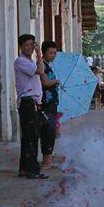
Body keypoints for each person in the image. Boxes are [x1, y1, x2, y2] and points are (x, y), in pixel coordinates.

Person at [14, 34, 48, 179]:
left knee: (31, 136)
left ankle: (25, 168)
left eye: (31, 44)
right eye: (27, 44)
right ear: (21, 46)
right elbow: (40, 71)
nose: (29, 47)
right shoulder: (21, 61)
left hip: (33, 102)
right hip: (27, 102)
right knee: (30, 137)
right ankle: (31, 169)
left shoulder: (30, 62)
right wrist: (40, 54)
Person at [39, 41, 60, 170]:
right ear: (44, 52)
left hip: (52, 103)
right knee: (48, 130)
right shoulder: (42, 65)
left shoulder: (49, 65)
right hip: (45, 103)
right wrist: (55, 81)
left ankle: (49, 159)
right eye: (50, 53)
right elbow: (45, 82)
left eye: (54, 53)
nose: (53, 55)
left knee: (52, 131)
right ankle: (46, 160)